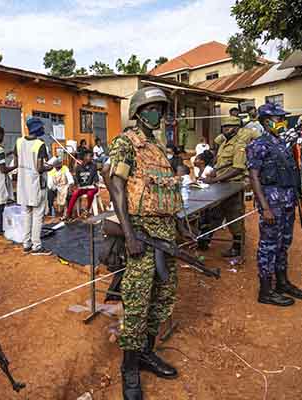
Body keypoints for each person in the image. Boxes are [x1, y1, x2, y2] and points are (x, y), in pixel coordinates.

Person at [107, 86, 182, 399]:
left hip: (166, 234)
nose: (158, 114)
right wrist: (129, 234)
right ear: (137, 112)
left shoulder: (158, 146)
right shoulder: (127, 143)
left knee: (163, 297)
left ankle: (146, 353)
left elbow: (167, 192)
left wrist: (181, 226)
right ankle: (129, 368)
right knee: (137, 303)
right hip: (142, 235)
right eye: (152, 109)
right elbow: (115, 186)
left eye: (160, 109)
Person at [246, 102, 302, 307]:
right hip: (272, 204)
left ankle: (281, 283)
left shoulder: (282, 143)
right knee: (268, 246)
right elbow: (254, 177)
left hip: (288, 201)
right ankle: (265, 291)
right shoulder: (258, 145)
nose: (282, 122)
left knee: (284, 244)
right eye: (278, 119)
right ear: (266, 121)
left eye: (283, 118)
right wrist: (264, 207)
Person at [202, 116, 251, 257]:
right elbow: (220, 163)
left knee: (234, 216)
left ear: (236, 129)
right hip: (221, 184)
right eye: (223, 127)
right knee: (215, 212)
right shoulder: (224, 143)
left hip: (233, 185)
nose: (224, 130)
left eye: (228, 127)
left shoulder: (239, 145)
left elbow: (238, 168)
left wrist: (216, 179)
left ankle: (237, 247)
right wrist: (213, 173)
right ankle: (204, 239)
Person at [14, 117, 53, 256]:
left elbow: (17, 160)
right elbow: (39, 167)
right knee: (38, 215)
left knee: (27, 213)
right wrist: (51, 167)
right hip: (37, 184)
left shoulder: (19, 142)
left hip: (23, 183)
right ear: (38, 129)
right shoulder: (39, 144)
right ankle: (36, 246)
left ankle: (26, 243)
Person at [66, 150, 99, 219]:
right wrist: (77, 184)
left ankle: (87, 210)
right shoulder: (78, 167)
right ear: (84, 157)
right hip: (82, 187)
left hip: (92, 187)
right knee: (75, 193)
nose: (91, 158)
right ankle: (68, 214)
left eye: (91, 156)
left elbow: (96, 177)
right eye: (89, 156)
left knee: (90, 194)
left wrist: (95, 182)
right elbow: (76, 179)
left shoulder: (93, 166)